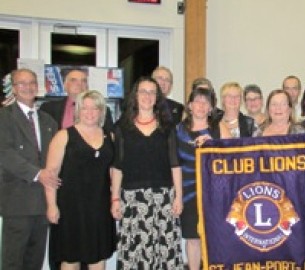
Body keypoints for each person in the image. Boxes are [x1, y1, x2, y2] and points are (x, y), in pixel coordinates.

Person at [110, 77, 184, 269]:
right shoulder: (122, 128)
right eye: (143, 91)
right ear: (135, 95)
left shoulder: (167, 128)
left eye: (152, 92)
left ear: (157, 98)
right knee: (135, 250)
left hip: (164, 197)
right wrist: (115, 199)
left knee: (164, 249)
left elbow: (175, 165)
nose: (147, 96)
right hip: (133, 198)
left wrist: (178, 197)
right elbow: (117, 166)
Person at [45, 90, 116, 270]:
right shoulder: (63, 136)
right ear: (78, 111)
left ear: (101, 111)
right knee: (70, 258)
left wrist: (115, 199)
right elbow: (50, 174)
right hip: (70, 208)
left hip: (99, 208)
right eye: (85, 108)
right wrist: (51, 206)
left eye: (95, 108)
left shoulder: (110, 137)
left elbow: (114, 171)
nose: (90, 112)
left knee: (98, 257)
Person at [0, 68, 59, 270]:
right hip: (17, 203)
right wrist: (37, 174)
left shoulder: (48, 121)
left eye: (32, 82)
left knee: (35, 262)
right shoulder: (4, 118)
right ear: (13, 89)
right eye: (21, 83)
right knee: (13, 262)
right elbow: (5, 154)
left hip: (43, 204)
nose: (28, 87)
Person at [176, 87, 231, 270]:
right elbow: (172, 163)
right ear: (190, 105)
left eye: (205, 102)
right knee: (193, 239)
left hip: (215, 192)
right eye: (197, 101)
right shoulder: (178, 130)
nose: (201, 105)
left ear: (210, 108)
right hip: (188, 193)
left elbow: (233, 156)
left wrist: (214, 145)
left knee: (215, 237)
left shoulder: (219, 128)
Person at [40, 68, 114, 133]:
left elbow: (108, 137)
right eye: (73, 80)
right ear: (65, 86)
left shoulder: (103, 110)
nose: (79, 84)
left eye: (84, 81)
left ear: (87, 87)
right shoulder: (48, 109)